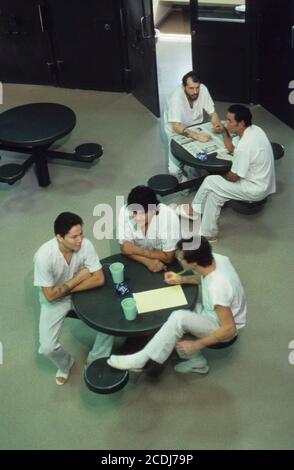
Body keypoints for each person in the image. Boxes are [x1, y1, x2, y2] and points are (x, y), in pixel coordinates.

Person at [107, 237, 246, 374]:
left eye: (181, 256)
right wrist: (182, 279)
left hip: (222, 327)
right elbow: (205, 277)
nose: (178, 257)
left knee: (178, 318)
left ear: (194, 262)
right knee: (177, 307)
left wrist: (196, 344)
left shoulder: (218, 287)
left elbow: (229, 329)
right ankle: (197, 362)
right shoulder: (216, 259)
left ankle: (141, 359)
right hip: (213, 312)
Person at [34, 212, 113, 385]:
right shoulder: (43, 256)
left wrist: (67, 288)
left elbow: (99, 279)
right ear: (59, 237)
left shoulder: (86, 245)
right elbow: (50, 295)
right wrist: (79, 277)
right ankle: (65, 364)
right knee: (47, 347)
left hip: (81, 292)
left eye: (81, 234)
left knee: (109, 321)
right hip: (55, 300)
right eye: (73, 237)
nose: (80, 240)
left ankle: (96, 359)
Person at [179, 104, 276, 241]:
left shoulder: (244, 147)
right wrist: (225, 130)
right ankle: (209, 234)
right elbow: (230, 147)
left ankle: (193, 210)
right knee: (215, 194)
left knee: (210, 181)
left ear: (241, 123)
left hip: (255, 189)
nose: (226, 122)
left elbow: (234, 177)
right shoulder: (255, 130)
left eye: (229, 121)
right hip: (262, 181)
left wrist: (222, 176)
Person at [163, 71, 220, 182]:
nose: (195, 92)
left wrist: (216, 123)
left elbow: (213, 113)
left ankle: (193, 173)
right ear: (184, 87)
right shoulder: (176, 98)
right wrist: (196, 136)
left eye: (197, 87)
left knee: (198, 159)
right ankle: (185, 182)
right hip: (176, 131)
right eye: (191, 88)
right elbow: (176, 126)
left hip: (196, 126)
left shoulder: (203, 89)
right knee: (174, 171)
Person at [118, 185, 181, 272]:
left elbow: (169, 258)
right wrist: (147, 261)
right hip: (146, 260)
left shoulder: (168, 217)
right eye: (134, 212)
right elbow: (125, 248)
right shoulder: (124, 211)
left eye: (142, 213)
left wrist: (137, 250)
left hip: (167, 264)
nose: (137, 218)